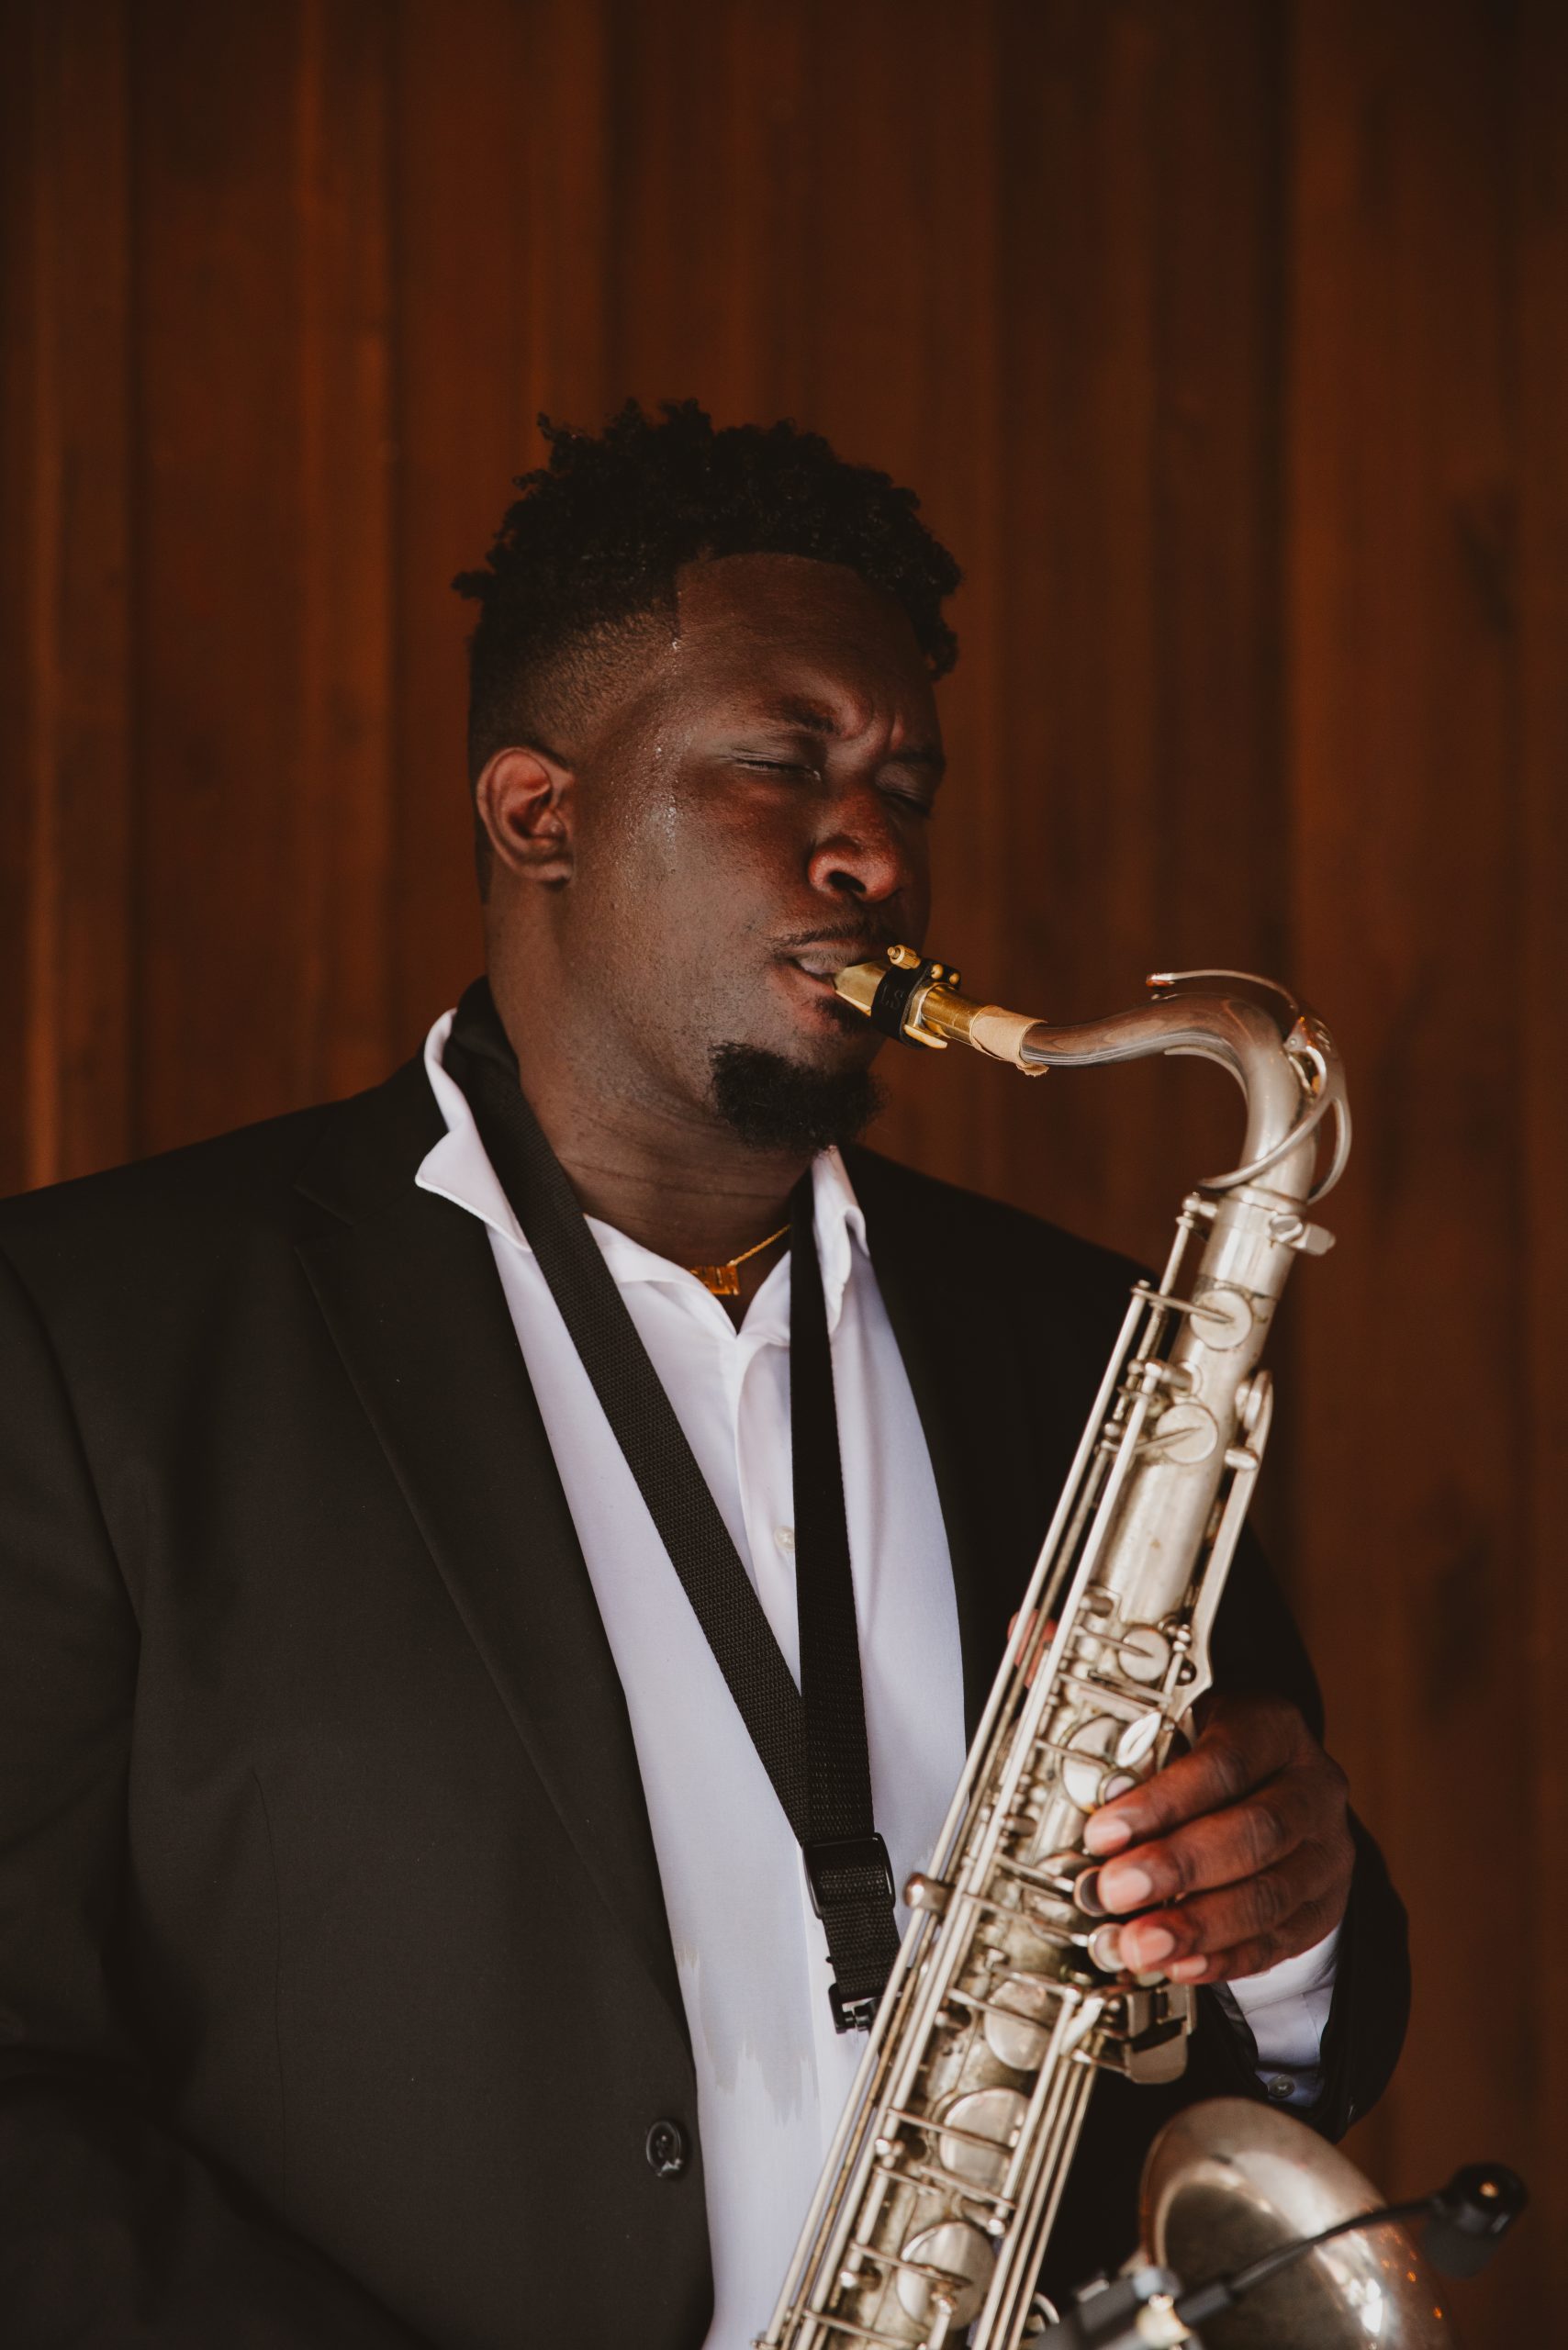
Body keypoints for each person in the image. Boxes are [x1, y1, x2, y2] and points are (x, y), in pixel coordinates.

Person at [0, 403, 1406, 2349]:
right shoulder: (92, 1335)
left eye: (906, 782)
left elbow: (1273, 2030)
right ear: (539, 812)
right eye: (782, 762)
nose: (875, 847)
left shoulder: (1084, 1337)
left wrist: (1296, 1919)